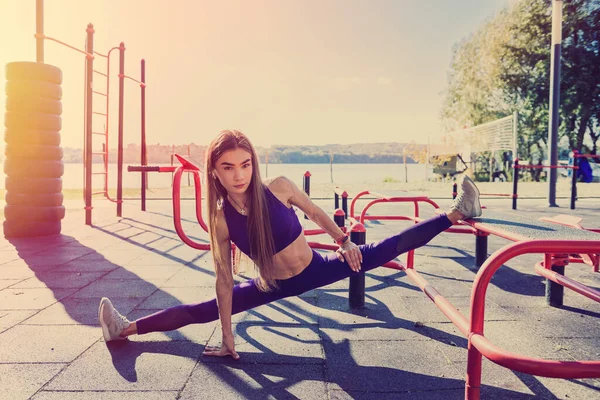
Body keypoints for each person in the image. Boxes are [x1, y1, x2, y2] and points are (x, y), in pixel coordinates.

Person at [99, 130, 482, 360]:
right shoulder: (220, 218)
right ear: (214, 170)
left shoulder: (278, 187)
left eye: (245, 164)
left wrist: (343, 240)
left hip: (317, 267)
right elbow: (222, 280)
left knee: (387, 248)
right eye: (228, 167)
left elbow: (315, 213)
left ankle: (458, 212)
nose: (239, 174)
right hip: (271, 285)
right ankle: (124, 329)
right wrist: (228, 336)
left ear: (254, 163)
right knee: (200, 311)